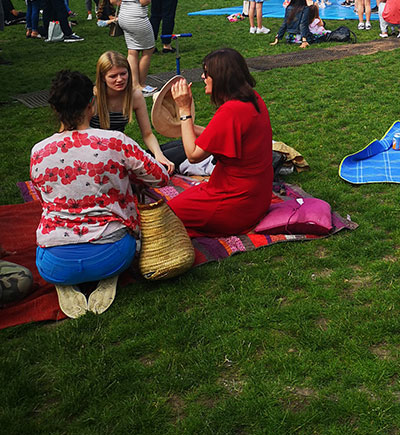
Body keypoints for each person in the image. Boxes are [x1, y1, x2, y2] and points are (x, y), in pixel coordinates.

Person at [30, 69, 169, 318]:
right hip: (112, 254)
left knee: (59, 258)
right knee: (123, 245)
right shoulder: (115, 141)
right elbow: (160, 177)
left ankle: (66, 282)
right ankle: (108, 275)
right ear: (91, 105)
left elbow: (43, 199)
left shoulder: (38, 152)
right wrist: (127, 177)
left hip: (53, 263)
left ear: (55, 110)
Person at [168, 49, 273, 237]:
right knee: (183, 201)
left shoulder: (231, 111)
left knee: (166, 213)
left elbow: (192, 155)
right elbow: (215, 134)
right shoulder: (252, 99)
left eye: (206, 73)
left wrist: (184, 109)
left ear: (221, 77)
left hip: (236, 203)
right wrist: (184, 126)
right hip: (257, 197)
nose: (202, 77)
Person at [93, 51, 175, 172]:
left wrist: (159, 155)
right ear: (102, 78)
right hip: (94, 153)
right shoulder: (92, 97)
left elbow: (147, 134)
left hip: (119, 151)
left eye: (123, 74)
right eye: (113, 76)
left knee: (180, 147)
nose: (119, 79)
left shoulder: (134, 95)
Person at [110, 0, 156, 94]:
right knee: (148, 50)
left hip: (124, 16)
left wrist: (126, 3)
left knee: (132, 51)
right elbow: (143, 0)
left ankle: (134, 85)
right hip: (138, 18)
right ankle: (141, 84)